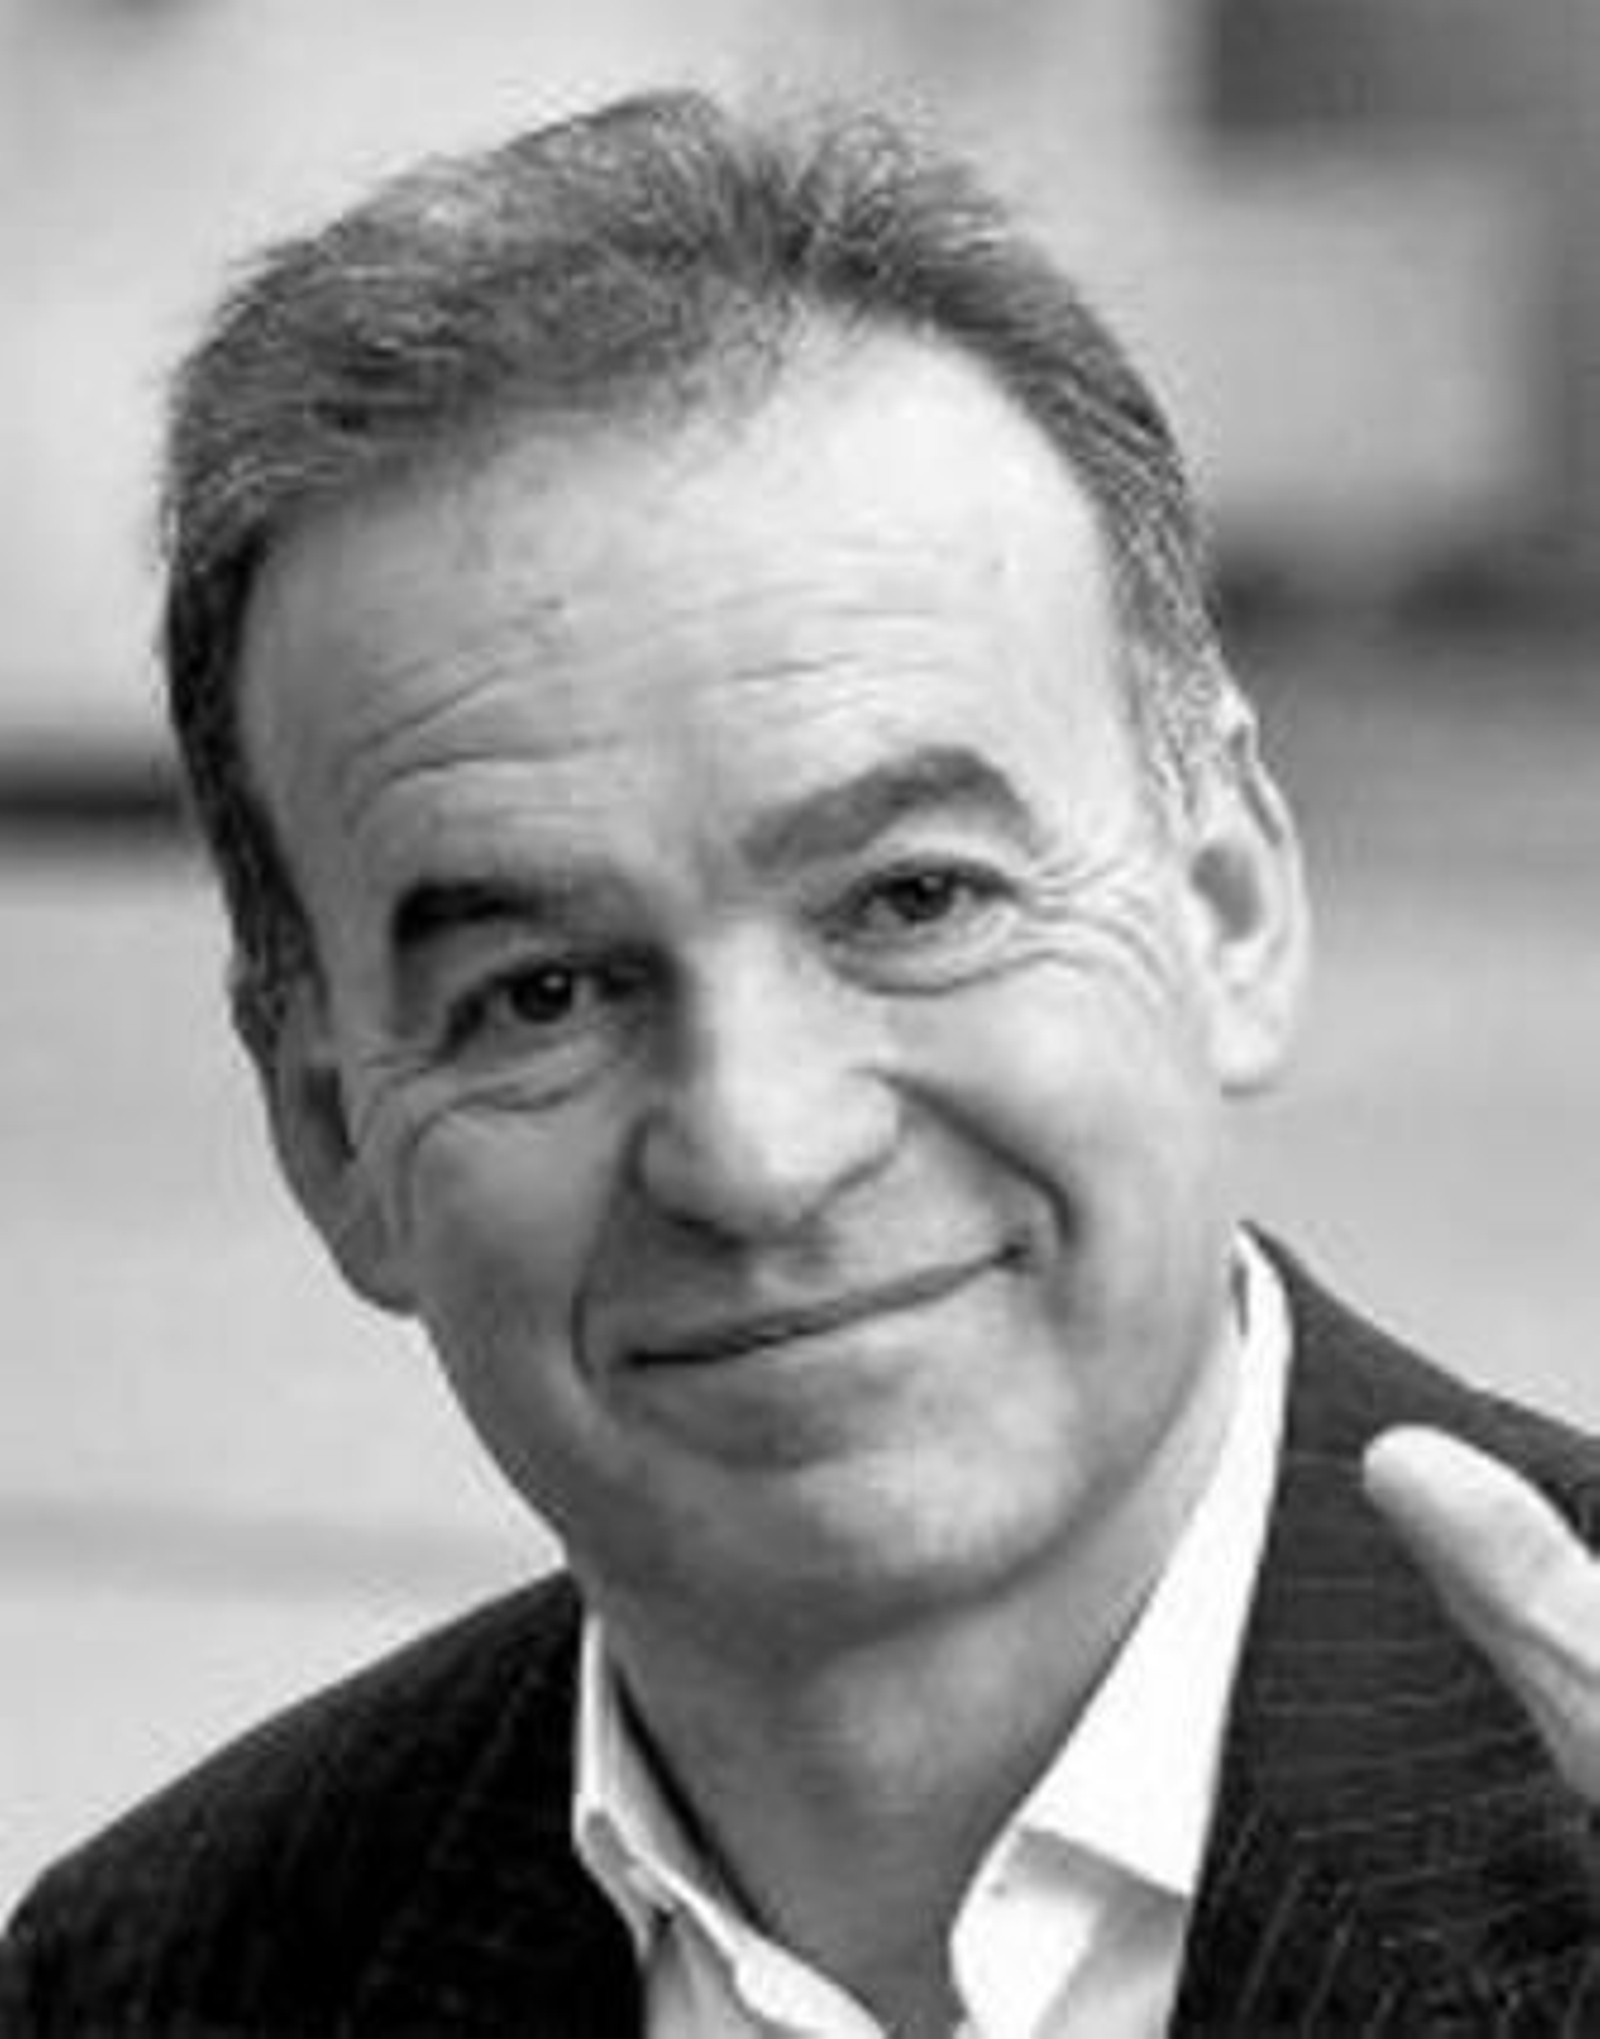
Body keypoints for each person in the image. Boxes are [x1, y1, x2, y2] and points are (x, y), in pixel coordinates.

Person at [3, 89, 1598, 2037]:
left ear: (1228, 902)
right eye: (539, 992)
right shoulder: (159, 1987)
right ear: (330, 1132)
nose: (758, 1153)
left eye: (911, 900)